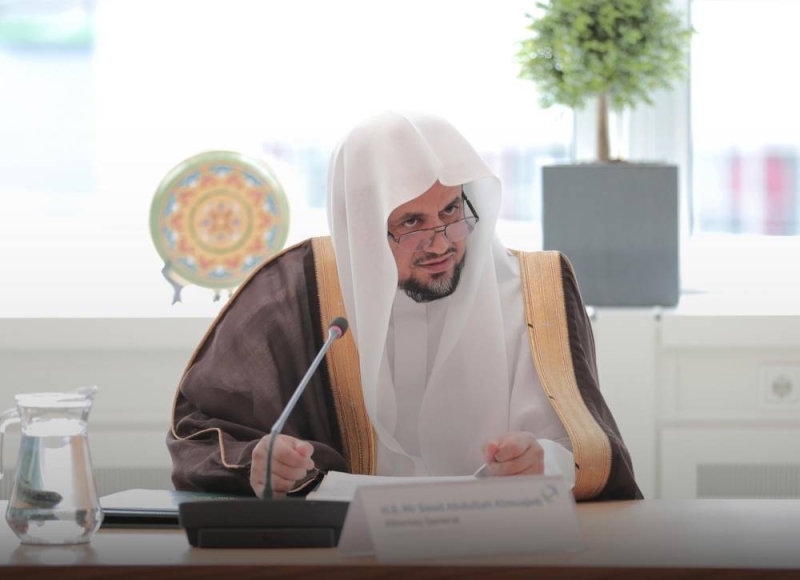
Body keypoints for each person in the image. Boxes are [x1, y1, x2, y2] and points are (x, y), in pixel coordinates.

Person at [167, 110, 642, 501]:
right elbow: (204, 432)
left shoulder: (538, 290)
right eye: (411, 222)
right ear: (361, 224)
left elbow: (592, 450)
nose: (440, 243)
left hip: (503, 552)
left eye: (451, 210)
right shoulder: (292, 292)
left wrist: (544, 462)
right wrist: (261, 462)